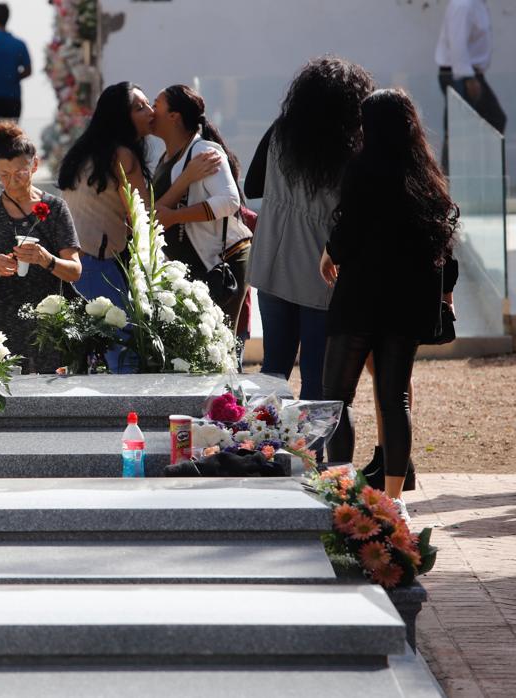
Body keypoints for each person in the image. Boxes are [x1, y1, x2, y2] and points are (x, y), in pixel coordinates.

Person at [320, 88, 459, 521]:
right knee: (393, 397)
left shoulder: (361, 169)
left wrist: (331, 254)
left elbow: (349, 227)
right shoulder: (425, 172)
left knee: (338, 397)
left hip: (359, 297)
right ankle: (395, 498)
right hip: (405, 302)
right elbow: (444, 240)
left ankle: (343, 489)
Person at [245, 56, 375, 400]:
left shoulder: (279, 132)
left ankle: (265, 448)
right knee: (317, 377)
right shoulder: (353, 147)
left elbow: (252, 186)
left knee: (274, 368)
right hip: (321, 270)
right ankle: (309, 453)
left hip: (272, 260)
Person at [59, 82, 220, 306]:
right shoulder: (122, 156)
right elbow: (145, 218)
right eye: (140, 108)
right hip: (96, 268)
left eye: (148, 104)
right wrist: (187, 177)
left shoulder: (88, 151)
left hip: (70, 264)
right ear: (121, 118)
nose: (151, 112)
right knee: (121, 337)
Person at [0, 122, 82, 373]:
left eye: (20, 173)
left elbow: (75, 271)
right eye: (3, 175)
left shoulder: (55, 209)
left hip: (46, 330)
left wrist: (47, 260)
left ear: (34, 166)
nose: (11, 182)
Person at [151, 84, 251, 329]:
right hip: (194, 264)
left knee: (219, 346)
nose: (151, 111)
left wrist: (176, 216)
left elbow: (229, 200)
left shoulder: (204, 152)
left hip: (221, 263)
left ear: (174, 117)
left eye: (156, 105)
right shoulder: (166, 159)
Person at [436, 0, 505, 172]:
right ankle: (448, 181)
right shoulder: (463, 4)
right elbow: (457, 44)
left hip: (470, 74)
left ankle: (478, 173)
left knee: (488, 122)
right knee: (458, 130)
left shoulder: (477, 4)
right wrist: (468, 78)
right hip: (460, 75)